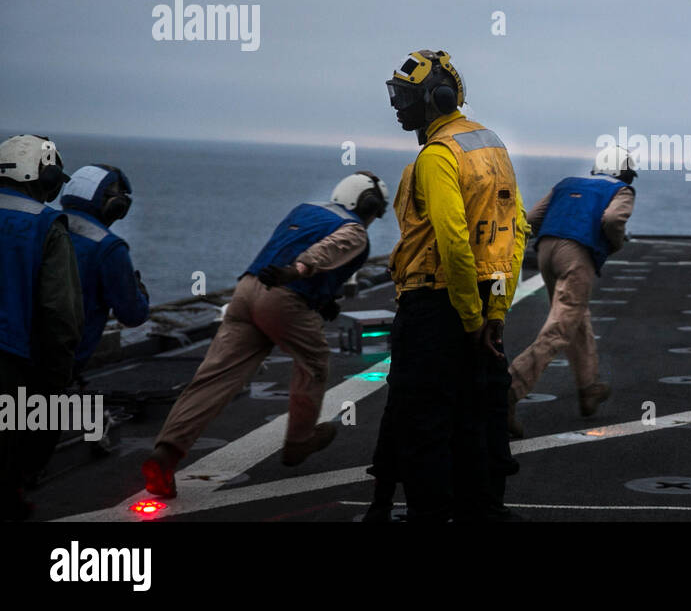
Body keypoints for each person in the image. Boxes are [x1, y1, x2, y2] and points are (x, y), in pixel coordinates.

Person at [143, 171, 388, 498]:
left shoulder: (304, 210)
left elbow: (289, 247)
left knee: (215, 376)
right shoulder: (356, 231)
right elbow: (325, 252)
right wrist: (297, 271)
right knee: (313, 360)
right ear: (369, 205)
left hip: (246, 292)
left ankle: (168, 451)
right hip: (285, 297)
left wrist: (323, 300)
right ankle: (299, 442)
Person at [368, 49, 528, 523]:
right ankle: (484, 509)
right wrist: (494, 315)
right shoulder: (493, 147)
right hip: (480, 299)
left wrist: (471, 318)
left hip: (436, 307)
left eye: (405, 97)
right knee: (479, 414)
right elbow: (513, 234)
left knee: (424, 420)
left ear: (437, 98)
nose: (398, 107)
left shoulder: (437, 157)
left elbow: (453, 240)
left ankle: (430, 514)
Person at [506, 146, 636, 437]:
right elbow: (613, 220)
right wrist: (614, 244)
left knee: (574, 317)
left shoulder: (566, 184)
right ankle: (510, 389)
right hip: (577, 255)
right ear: (625, 173)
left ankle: (589, 388)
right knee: (559, 328)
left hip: (545, 252)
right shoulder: (623, 191)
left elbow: (530, 220)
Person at [0, 135, 82, 521]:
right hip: (13, 362)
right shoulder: (47, 225)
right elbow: (59, 312)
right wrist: (59, 375)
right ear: (43, 175)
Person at [58, 165, 151, 377]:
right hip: (63, 362)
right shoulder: (109, 247)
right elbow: (132, 315)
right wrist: (140, 294)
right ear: (114, 205)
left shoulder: (43, 226)